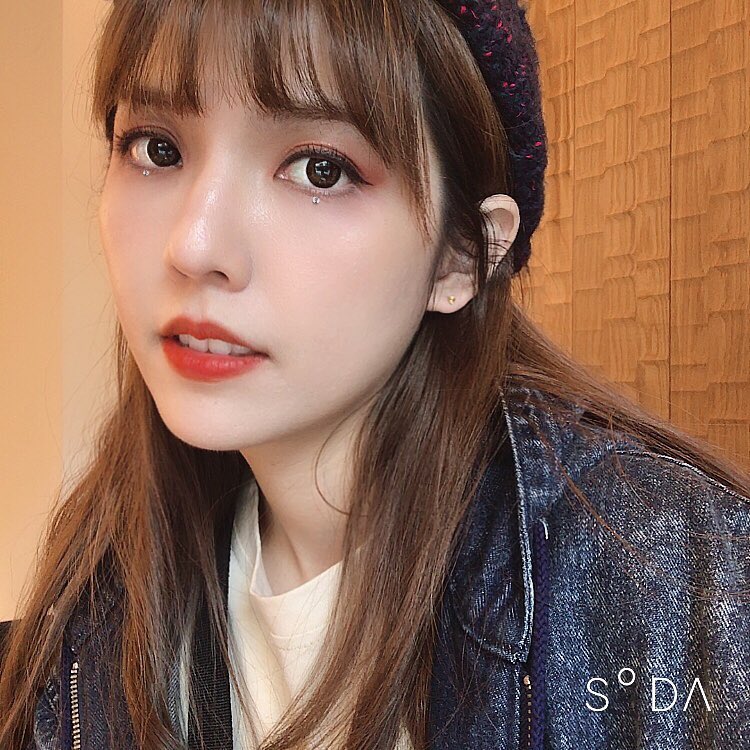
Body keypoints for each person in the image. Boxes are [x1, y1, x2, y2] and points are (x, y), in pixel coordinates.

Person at [1, 0, 749, 748]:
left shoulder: (677, 590)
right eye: (158, 149)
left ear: (462, 256)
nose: (195, 246)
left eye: (319, 170)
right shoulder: (92, 597)